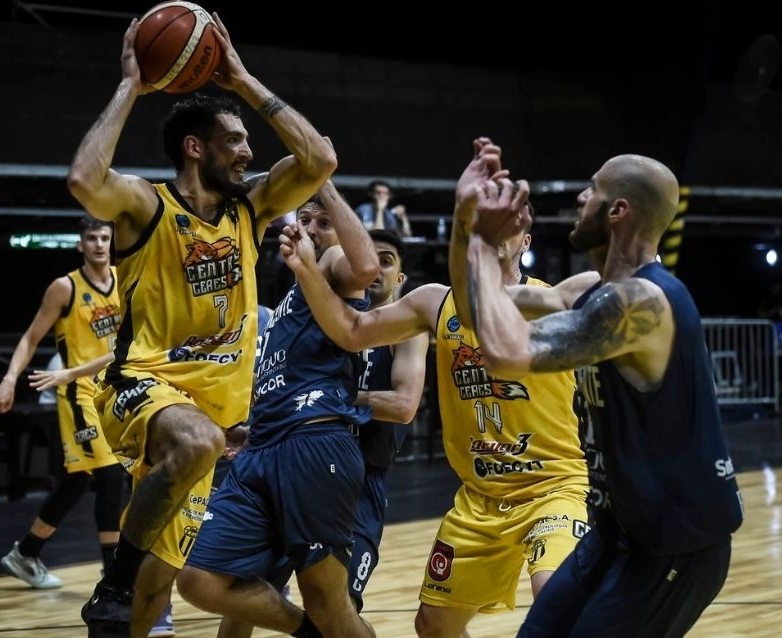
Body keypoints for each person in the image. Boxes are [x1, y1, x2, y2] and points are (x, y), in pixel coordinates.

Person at [68, 9, 337, 638]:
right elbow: (84, 179)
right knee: (196, 446)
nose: (248, 151)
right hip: (142, 386)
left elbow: (319, 158)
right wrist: (131, 86)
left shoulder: (251, 208)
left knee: (157, 585)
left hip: (212, 416)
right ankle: (111, 583)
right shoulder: (145, 205)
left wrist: (241, 79)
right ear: (196, 148)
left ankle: (124, 604)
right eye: (235, 140)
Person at [453, 139, 745, 636]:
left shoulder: (640, 302)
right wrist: (466, 220)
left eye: (591, 190)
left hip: (675, 544)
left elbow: (505, 353)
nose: (580, 198)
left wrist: (484, 239)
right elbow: (472, 308)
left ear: (618, 211)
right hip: (617, 532)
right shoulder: (588, 292)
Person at [279, 199, 590, 636]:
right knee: (433, 626)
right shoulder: (436, 302)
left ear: (526, 241)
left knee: (555, 599)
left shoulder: (551, 301)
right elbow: (352, 330)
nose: (495, 230)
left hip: (552, 488)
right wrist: (308, 270)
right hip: (480, 497)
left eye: (510, 224)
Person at [175, 181, 379, 638]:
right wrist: (253, 426)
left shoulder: (330, 264)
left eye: (324, 222)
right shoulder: (290, 299)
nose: (313, 229)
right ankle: (309, 633)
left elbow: (365, 266)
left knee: (328, 603)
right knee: (199, 578)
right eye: (305, 219)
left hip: (313, 444)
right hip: (262, 447)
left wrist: (324, 184)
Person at [215, 228, 428, 638]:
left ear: (400, 278)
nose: (375, 269)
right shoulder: (325, 320)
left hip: (360, 479)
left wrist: (327, 395)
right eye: (370, 258)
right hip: (302, 462)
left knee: (334, 609)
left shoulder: (407, 330)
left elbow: (404, 406)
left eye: (386, 261)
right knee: (247, 587)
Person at [0, 215, 128, 594]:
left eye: (104, 238)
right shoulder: (65, 287)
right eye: (91, 238)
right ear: (80, 245)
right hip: (79, 393)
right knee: (111, 474)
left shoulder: (125, 280)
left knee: (77, 479)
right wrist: (9, 379)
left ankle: (26, 552)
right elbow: (30, 338)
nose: (99, 244)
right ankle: (113, 574)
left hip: (115, 390)